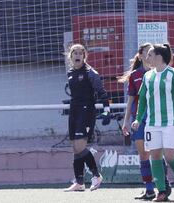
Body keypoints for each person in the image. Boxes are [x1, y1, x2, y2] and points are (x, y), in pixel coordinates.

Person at [132, 43, 174, 202]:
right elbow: (142, 99)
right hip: (152, 123)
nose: (146, 58)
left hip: (171, 122)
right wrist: (137, 118)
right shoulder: (147, 76)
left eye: (149, 55)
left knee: (170, 156)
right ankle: (162, 191)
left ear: (159, 57)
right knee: (155, 156)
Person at [118, 43, 171, 200]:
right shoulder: (135, 75)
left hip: (156, 118)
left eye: (152, 53)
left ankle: (164, 185)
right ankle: (149, 190)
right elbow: (130, 101)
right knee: (143, 154)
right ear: (140, 56)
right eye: (147, 53)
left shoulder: (160, 73)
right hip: (139, 119)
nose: (150, 56)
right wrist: (126, 121)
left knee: (157, 153)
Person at [64, 43, 110, 192]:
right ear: (70, 56)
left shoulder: (91, 73)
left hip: (86, 110)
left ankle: (96, 175)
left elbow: (102, 92)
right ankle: (79, 182)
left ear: (85, 56)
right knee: (75, 148)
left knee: (80, 147)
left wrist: (106, 110)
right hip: (74, 110)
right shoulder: (70, 72)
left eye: (80, 53)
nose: (77, 55)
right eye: (74, 53)